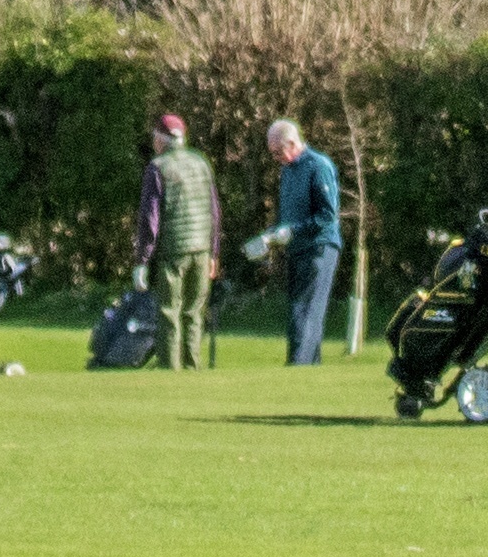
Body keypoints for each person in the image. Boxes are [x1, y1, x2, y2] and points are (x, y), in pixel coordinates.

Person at [242, 115, 346, 365]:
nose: (276, 158)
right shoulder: (288, 171)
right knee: (298, 311)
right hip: (297, 249)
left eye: (278, 152)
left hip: (319, 247)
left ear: (292, 143)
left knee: (306, 312)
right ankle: (309, 368)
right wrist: (271, 237)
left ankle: (297, 367)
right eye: (272, 153)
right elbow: (288, 215)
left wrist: (294, 231)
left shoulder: (318, 165)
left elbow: (327, 215)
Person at [135, 110, 227, 368]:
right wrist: (214, 253)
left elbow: (150, 220)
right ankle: (192, 368)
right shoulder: (201, 163)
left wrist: (142, 260)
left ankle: (171, 371)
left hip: (172, 251)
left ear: (161, 139)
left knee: (169, 313)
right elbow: (214, 211)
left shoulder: (157, 168)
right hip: (201, 250)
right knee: (194, 313)